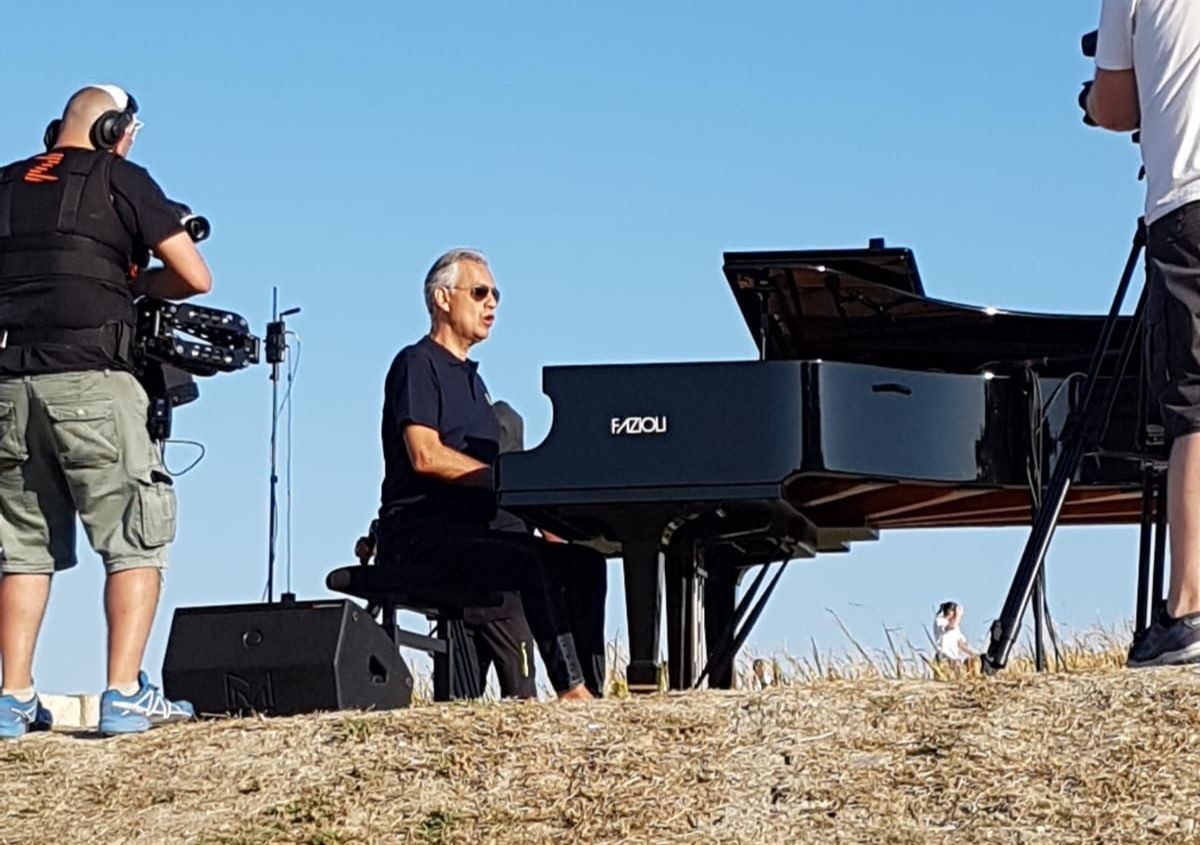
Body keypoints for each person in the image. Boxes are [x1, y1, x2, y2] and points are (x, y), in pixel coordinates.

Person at [0, 85, 211, 737]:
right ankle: (123, 693)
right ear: (114, 129)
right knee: (136, 537)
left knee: (22, 548)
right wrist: (136, 282)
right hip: (93, 379)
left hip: (9, 385)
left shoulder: (5, 185)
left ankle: (11, 697)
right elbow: (194, 275)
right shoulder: (122, 178)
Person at [375, 248, 606, 700]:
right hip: (421, 536)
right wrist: (506, 481)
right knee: (529, 562)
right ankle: (570, 691)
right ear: (443, 298)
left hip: (473, 534)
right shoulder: (416, 363)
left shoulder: (476, 384)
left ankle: (592, 693)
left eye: (496, 294)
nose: (492, 303)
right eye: (480, 292)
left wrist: (544, 516)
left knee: (585, 563)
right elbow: (425, 455)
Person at [1088, 2, 1200, 666]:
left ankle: (1187, 608)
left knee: (1196, 403)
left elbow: (1113, 104)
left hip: (1188, 199)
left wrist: (1090, 97)